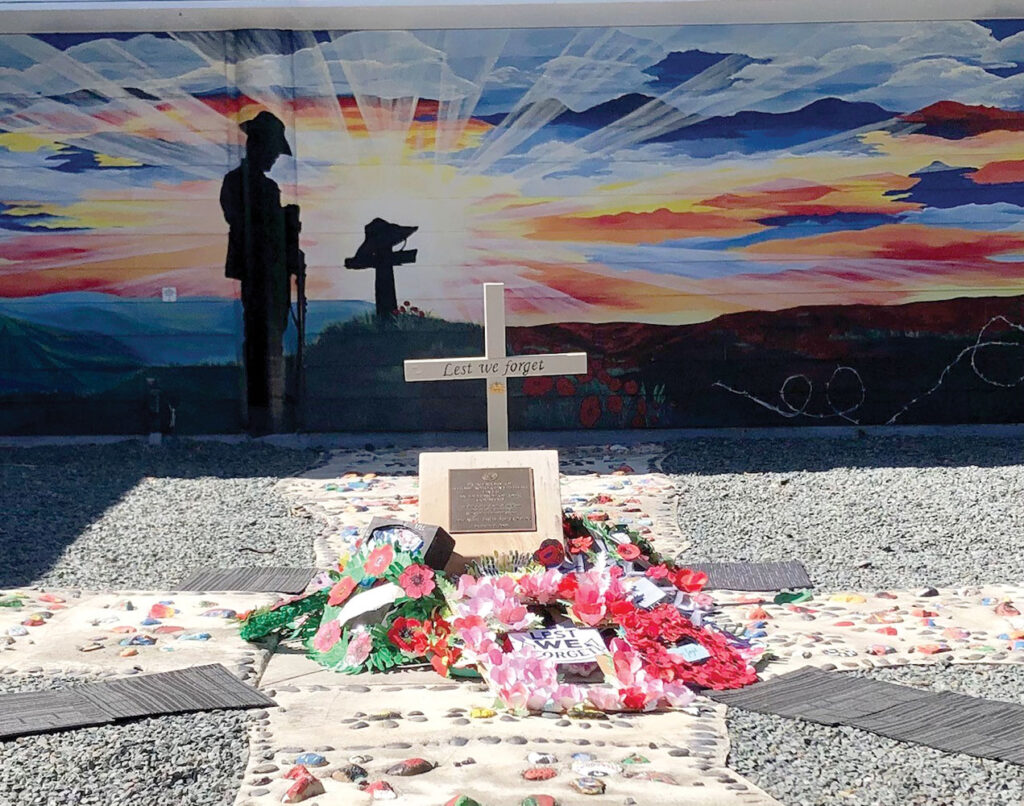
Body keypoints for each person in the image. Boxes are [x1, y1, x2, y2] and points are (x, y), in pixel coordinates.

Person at [220, 111, 302, 433]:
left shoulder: (256, 186)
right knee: (261, 337)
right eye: (271, 151)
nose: (272, 158)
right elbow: (248, 227)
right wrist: (283, 223)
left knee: (270, 334)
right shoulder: (247, 185)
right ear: (257, 146)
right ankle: (263, 409)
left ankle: (269, 405)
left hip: (269, 272)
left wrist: (285, 225)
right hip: (261, 274)